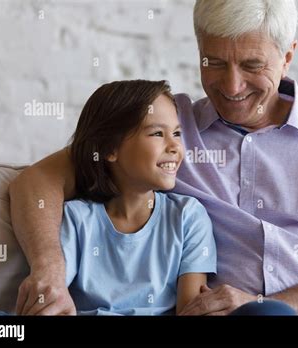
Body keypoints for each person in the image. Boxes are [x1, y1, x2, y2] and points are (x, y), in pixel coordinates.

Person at [9, 0, 298, 316]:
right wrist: (50, 272)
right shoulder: (165, 126)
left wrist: (273, 307)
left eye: (252, 65)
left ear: (287, 57)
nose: (231, 86)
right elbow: (36, 182)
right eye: (214, 62)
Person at [17, 79, 217, 315]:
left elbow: (191, 310)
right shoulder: (77, 218)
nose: (174, 145)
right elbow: (54, 296)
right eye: (157, 133)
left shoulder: (188, 217)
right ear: (109, 149)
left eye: (176, 133)